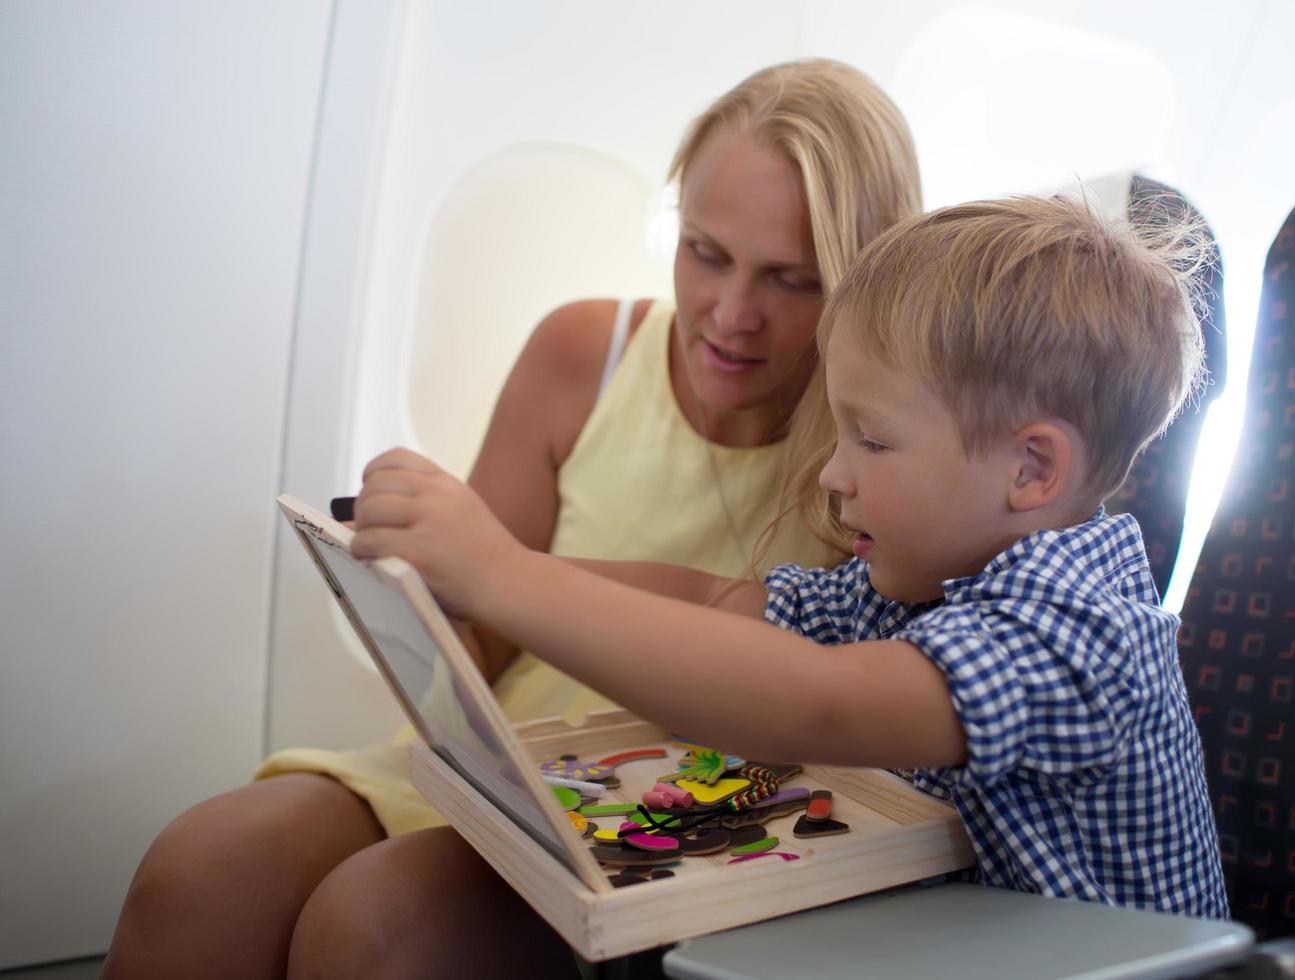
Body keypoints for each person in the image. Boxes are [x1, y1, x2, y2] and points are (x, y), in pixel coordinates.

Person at [102, 60, 921, 980]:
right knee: (198, 868)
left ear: (859, 279)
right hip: (502, 756)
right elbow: (483, 641)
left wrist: (497, 571)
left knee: (370, 925)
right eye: (704, 252)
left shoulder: (880, 454)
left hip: (680, 799)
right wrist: (414, 593)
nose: (732, 315)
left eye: (790, 280)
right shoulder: (585, 351)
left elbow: (814, 682)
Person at [347, 197, 1232, 950]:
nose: (832, 473)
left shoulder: (1079, 636)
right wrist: (490, 568)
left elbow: (820, 701)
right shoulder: (925, 585)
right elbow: (722, 602)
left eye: (873, 440)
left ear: (1031, 470)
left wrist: (504, 578)